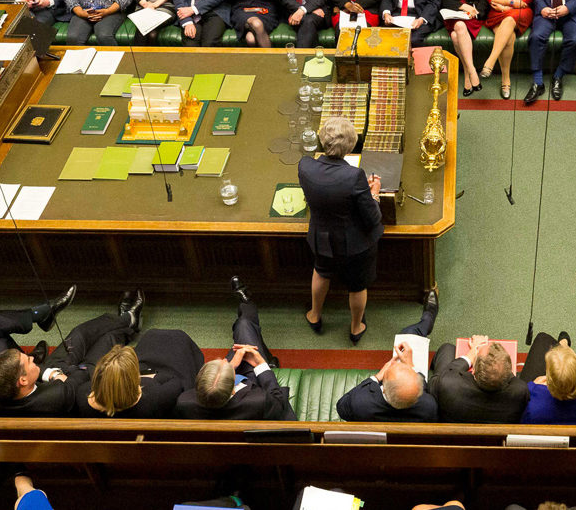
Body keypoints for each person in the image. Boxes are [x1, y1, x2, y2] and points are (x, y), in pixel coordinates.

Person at [0, 297, 140, 417]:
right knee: (108, 340)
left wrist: (53, 374)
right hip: (82, 379)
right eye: (28, 360)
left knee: (79, 333)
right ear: (22, 380)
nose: (31, 357)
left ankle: (126, 319)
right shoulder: (56, 397)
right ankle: (130, 321)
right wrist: (60, 377)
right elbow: (80, 375)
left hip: (54, 373)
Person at [300, 116, 382, 345]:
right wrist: (373, 193)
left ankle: (315, 314)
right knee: (357, 286)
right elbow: (373, 217)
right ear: (350, 145)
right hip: (355, 244)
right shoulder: (354, 177)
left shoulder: (305, 166)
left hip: (322, 238)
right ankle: (356, 327)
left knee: (321, 271)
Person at [178, 278, 295, 421]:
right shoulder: (258, 402)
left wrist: (228, 368)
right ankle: (247, 304)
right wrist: (261, 365)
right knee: (244, 327)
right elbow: (278, 400)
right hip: (251, 384)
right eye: (225, 362)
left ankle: (246, 307)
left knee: (244, 336)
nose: (224, 360)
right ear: (233, 387)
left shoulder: (185, 403)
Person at [335, 303, 439, 422]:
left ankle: (427, 319)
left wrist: (377, 377)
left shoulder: (360, 403)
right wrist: (411, 366)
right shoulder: (429, 407)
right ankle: (428, 317)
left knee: (409, 332)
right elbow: (423, 388)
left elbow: (341, 407)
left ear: (383, 388)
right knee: (410, 332)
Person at [79, 328, 206, 418]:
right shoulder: (155, 398)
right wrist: (148, 378)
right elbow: (175, 382)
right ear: (133, 380)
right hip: (158, 379)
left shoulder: (82, 397)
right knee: (175, 345)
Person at [430, 334, 528, 423]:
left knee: (447, 348)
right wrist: (499, 364)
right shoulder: (519, 392)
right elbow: (508, 375)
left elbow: (433, 385)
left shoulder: (449, 384)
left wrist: (470, 356)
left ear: (473, 370)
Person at [516, 334, 576, 424]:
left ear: (549, 382)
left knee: (542, 338)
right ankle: (564, 345)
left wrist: (533, 386)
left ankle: (563, 345)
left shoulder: (531, 402)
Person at [437, 0, 486, 96]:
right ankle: (472, 71)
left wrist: (476, 10)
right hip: (452, 13)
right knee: (458, 25)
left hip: (472, 15)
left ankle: (467, 73)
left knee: (455, 34)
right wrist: (461, 6)